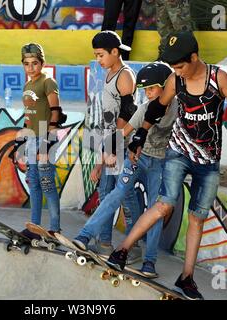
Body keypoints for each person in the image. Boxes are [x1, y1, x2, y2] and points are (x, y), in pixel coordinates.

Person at [106, 31, 227, 300]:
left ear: (194, 57)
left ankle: (187, 277)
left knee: (197, 218)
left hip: (208, 160)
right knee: (164, 204)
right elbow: (157, 108)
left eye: (180, 65)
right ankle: (121, 251)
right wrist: (140, 136)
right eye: (173, 67)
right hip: (178, 152)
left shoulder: (218, 78)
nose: (177, 71)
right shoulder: (175, 80)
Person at [74, 62, 177, 278]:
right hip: (136, 158)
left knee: (155, 209)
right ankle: (84, 236)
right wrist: (105, 156)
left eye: (151, 89)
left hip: (161, 164)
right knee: (117, 193)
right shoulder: (145, 108)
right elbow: (123, 132)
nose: (147, 95)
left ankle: (149, 262)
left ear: (166, 86)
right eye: (145, 90)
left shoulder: (179, 109)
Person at [84, 30, 139, 257]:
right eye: (95, 55)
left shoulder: (124, 76)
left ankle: (134, 245)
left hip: (119, 145)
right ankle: (104, 242)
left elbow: (128, 111)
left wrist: (112, 148)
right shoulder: (110, 73)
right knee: (107, 192)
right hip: (110, 142)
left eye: (100, 55)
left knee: (124, 195)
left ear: (115, 52)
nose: (98, 60)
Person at [9, 43, 66, 239]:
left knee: (46, 183)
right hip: (32, 138)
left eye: (34, 63)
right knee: (33, 183)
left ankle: (55, 228)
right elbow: (28, 117)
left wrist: (48, 142)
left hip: (45, 138)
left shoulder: (48, 82)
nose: (30, 67)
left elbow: (56, 112)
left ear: (42, 63)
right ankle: (34, 227)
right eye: (26, 64)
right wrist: (20, 144)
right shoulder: (27, 85)